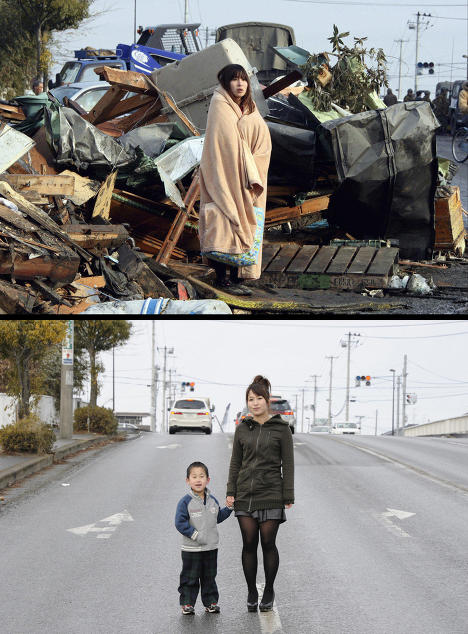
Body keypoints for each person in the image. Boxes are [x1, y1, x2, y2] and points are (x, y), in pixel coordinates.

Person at [198, 64, 272, 296]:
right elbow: (227, 146)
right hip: (224, 174)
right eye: (234, 79)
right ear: (225, 83)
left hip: (248, 175)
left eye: (244, 80)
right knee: (225, 222)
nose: (240, 84)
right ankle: (222, 278)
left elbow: (257, 137)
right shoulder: (220, 106)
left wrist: (252, 165)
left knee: (240, 224)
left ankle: (235, 277)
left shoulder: (248, 107)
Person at [226, 375, 294, 613]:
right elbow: (235, 462)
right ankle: (252, 590)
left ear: (268, 401)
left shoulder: (281, 429)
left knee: (268, 543)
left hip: (272, 492)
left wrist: (288, 495)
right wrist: (231, 491)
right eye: (250, 399)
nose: (254, 403)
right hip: (245, 494)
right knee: (248, 543)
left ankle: (269, 590)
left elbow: (289, 463)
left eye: (258, 399)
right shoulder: (243, 429)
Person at [175, 461, 232, 615]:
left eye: (202, 476)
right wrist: (195, 535)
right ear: (188, 480)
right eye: (194, 477)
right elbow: (179, 523)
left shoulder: (212, 500)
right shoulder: (185, 501)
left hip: (210, 548)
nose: (198, 480)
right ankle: (187, 603)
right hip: (192, 548)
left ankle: (211, 602)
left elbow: (217, 517)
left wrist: (230, 508)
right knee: (190, 577)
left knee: (209, 577)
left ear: (208, 480)